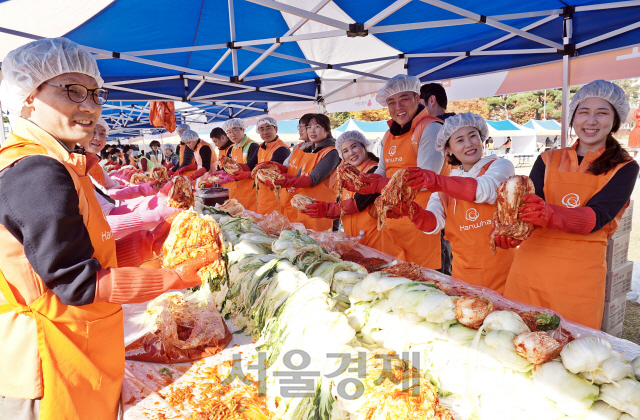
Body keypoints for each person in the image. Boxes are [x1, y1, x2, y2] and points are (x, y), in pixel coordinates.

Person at [0, 37, 216, 420]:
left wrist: (149, 242)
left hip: (77, 346)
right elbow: (78, 282)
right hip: (49, 359)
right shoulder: (36, 169)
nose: (90, 106)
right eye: (74, 91)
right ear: (29, 95)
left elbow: (87, 251)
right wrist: (173, 277)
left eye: (97, 94)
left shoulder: (65, 162)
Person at [501, 80, 639, 329]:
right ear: (574, 117)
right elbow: (526, 208)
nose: (591, 121)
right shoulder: (548, 158)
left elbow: (599, 216)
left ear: (615, 121)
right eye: (584, 112)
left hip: (578, 279)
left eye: (602, 113)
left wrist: (548, 213)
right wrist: (512, 233)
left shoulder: (625, 167)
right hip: (530, 270)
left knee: (568, 350)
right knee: (516, 339)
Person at [388, 113, 516, 293]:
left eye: (473, 136)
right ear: (448, 148)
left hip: (504, 271)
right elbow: (433, 223)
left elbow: (486, 189)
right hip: (464, 275)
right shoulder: (447, 183)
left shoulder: (500, 166)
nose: (469, 144)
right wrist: (411, 210)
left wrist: (438, 182)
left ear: (482, 139)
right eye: (460, 140)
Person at [343, 75, 445, 270]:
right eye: (392, 102)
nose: (398, 106)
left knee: (423, 281)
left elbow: (425, 180)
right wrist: (364, 182)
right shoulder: (389, 134)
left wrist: (379, 185)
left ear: (417, 98)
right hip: (392, 222)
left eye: (404, 99)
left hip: (422, 222)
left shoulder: (430, 128)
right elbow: (382, 169)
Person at [303, 131, 381, 248]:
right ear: (342, 156)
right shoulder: (348, 174)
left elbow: (359, 202)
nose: (351, 153)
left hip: (374, 239)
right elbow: (341, 203)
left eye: (354, 147)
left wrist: (327, 209)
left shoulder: (375, 171)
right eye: (345, 151)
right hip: (354, 238)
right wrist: (320, 206)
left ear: (364, 146)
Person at [262, 114, 340, 231]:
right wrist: (278, 177)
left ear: (327, 130)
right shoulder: (309, 150)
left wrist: (285, 182)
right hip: (304, 203)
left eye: (317, 127)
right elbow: (298, 176)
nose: (312, 131)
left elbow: (313, 179)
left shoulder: (332, 152)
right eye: (309, 127)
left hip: (321, 206)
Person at [420, 82, 455, 275]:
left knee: (442, 257)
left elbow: (427, 173)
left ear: (431, 100)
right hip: (438, 203)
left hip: (441, 202)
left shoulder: (437, 127)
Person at [217, 118, 259, 211]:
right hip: (234, 190)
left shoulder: (252, 146)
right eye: (229, 132)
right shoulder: (231, 148)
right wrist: (219, 173)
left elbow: (252, 168)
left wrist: (232, 176)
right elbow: (227, 167)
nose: (232, 134)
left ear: (243, 129)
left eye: (235, 130)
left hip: (249, 192)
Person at [252, 117, 291, 215]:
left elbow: (269, 174)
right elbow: (250, 166)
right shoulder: (260, 148)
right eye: (261, 129)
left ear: (276, 129)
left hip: (275, 198)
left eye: (268, 128)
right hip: (262, 196)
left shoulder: (281, 149)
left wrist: (245, 174)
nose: (265, 132)